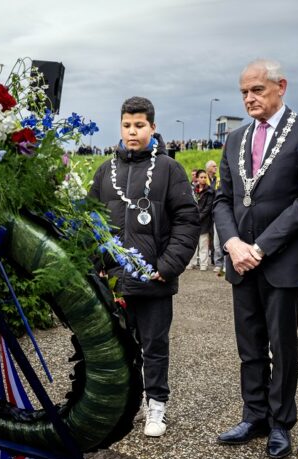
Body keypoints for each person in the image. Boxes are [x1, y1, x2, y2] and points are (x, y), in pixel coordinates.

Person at [213, 59, 298, 459]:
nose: (249, 98)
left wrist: (259, 247)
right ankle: (254, 415)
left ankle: (281, 422)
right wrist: (231, 243)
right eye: (244, 92)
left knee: (282, 344)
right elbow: (222, 199)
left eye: (257, 90)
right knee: (249, 344)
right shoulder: (234, 139)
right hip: (240, 260)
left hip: (280, 260)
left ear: (281, 86)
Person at [88, 96, 200, 437]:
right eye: (126, 125)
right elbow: (90, 222)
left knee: (154, 345)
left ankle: (156, 405)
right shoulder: (104, 171)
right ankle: (131, 401)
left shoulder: (170, 169)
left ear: (152, 127)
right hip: (116, 281)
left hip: (153, 278)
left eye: (139, 125)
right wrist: (100, 264)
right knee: (123, 345)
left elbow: (187, 221)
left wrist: (168, 266)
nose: (132, 131)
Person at [190, 169, 214, 270]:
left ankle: (204, 264)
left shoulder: (210, 191)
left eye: (205, 177)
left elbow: (208, 208)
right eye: (201, 177)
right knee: (193, 244)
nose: (203, 179)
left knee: (203, 243)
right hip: (193, 221)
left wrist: (198, 218)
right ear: (197, 178)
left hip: (204, 221)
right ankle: (192, 262)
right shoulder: (193, 190)